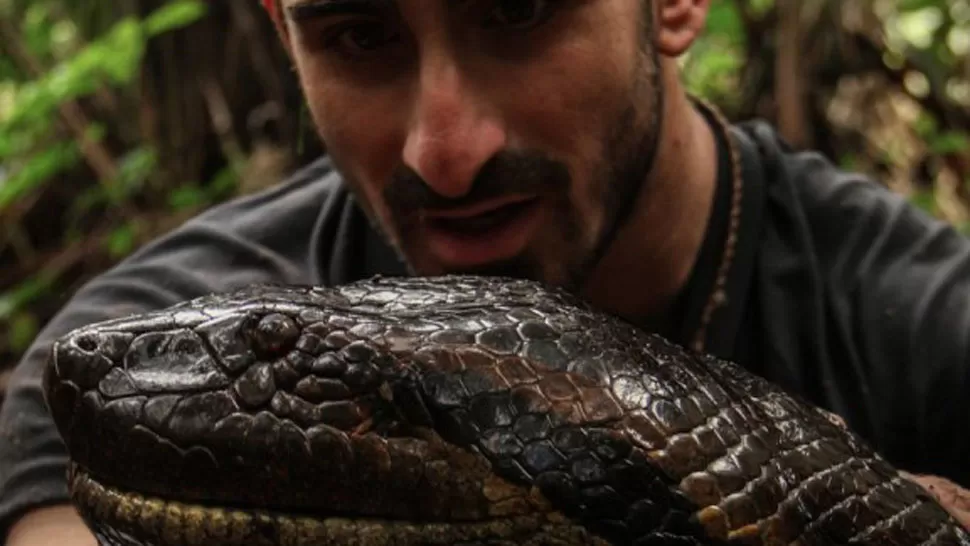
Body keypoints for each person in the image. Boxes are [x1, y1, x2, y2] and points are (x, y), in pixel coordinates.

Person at [3, 0, 970, 543]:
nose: (445, 151)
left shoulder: (926, 320)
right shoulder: (162, 317)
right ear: (285, 34)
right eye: (359, 34)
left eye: (515, 9)